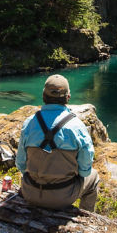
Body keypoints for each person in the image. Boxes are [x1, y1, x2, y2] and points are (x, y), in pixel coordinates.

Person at [16, 74, 100, 211]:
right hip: (63, 197)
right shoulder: (77, 126)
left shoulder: (29, 123)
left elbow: (21, 164)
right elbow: (85, 170)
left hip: (30, 192)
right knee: (94, 177)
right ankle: (85, 217)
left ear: (43, 96)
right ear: (68, 98)